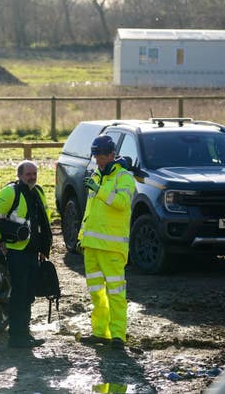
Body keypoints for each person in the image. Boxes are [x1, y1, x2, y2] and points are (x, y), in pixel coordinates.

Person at [0, 160, 52, 348]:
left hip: (32, 252)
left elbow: (43, 222)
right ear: (20, 175)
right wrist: (0, 242)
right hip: (17, 253)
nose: (32, 177)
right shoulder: (10, 192)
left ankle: (25, 333)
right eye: (28, 174)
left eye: (34, 174)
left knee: (29, 294)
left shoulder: (38, 192)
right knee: (19, 294)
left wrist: (43, 249)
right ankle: (16, 337)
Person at [78, 135, 135, 350]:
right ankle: (100, 332)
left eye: (101, 156)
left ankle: (118, 335)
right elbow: (90, 212)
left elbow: (121, 203)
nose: (98, 160)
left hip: (112, 248)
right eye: (96, 156)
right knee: (96, 292)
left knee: (116, 293)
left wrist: (98, 190)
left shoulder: (124, 178)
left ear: (112, 155)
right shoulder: (97, 175)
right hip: (91, 245)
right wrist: (81, 237)